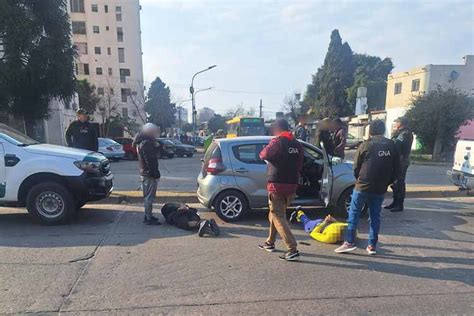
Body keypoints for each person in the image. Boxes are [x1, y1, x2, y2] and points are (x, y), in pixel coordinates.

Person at [335, 120, 400, 255]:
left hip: (363, 186)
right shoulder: (391, 145)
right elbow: (397, 169)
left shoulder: (366, 145)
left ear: (370, 130)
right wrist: (387, 182)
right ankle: (371, 246)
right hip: (380, 188)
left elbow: (356, 167)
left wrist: (360, 179)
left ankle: (349, 242)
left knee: (354, 213)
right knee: (375, 216)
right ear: (383, 130)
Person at [258, 118, 304, 261]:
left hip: (277, 185)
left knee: (278, 216)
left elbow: (263, 155)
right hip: (291, 185)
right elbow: (300, 163)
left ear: (277, 129)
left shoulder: (277, 142)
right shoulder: (297, 144)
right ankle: (270, 242)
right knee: (275, 214)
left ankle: (292, 249)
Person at [133, 123, 162, 225]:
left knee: (147, 196)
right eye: (154, 132)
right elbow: (151, 160)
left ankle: (148, 216)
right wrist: (156, 174)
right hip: (149, 174)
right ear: (150, 132)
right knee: (149, 197)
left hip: (145, 173)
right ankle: (148, 217)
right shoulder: (146, 143)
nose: (155, 134)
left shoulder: (142, 142)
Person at [385, 117, 414, 212]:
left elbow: (399, 147)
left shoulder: (405, 134)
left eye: (397, 122)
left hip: (401, 161)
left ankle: (399, 204)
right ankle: (395, 202)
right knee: (395, 182)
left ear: (401, 123)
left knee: (399, 182)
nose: (395, 124)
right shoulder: (399, 132)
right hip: (397, 160)